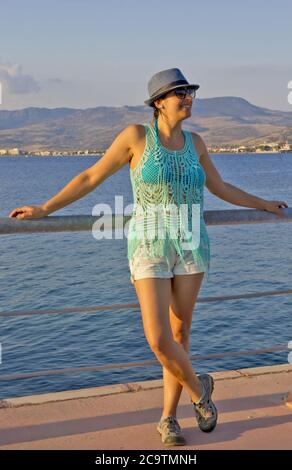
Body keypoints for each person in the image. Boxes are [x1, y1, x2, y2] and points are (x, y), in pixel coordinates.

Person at [9, 68, 288, 447]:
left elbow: (220, 187)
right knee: (158, 338)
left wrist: (263, 203)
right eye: (180, 93)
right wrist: (45, 208)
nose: (188, 97)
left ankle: (169, 419)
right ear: (159, 103)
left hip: (191, 243)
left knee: (179, 333)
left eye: (189, 91)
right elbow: (91, 177)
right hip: (149, 245)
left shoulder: (197, 143)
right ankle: (199, 389)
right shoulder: (136, 137)